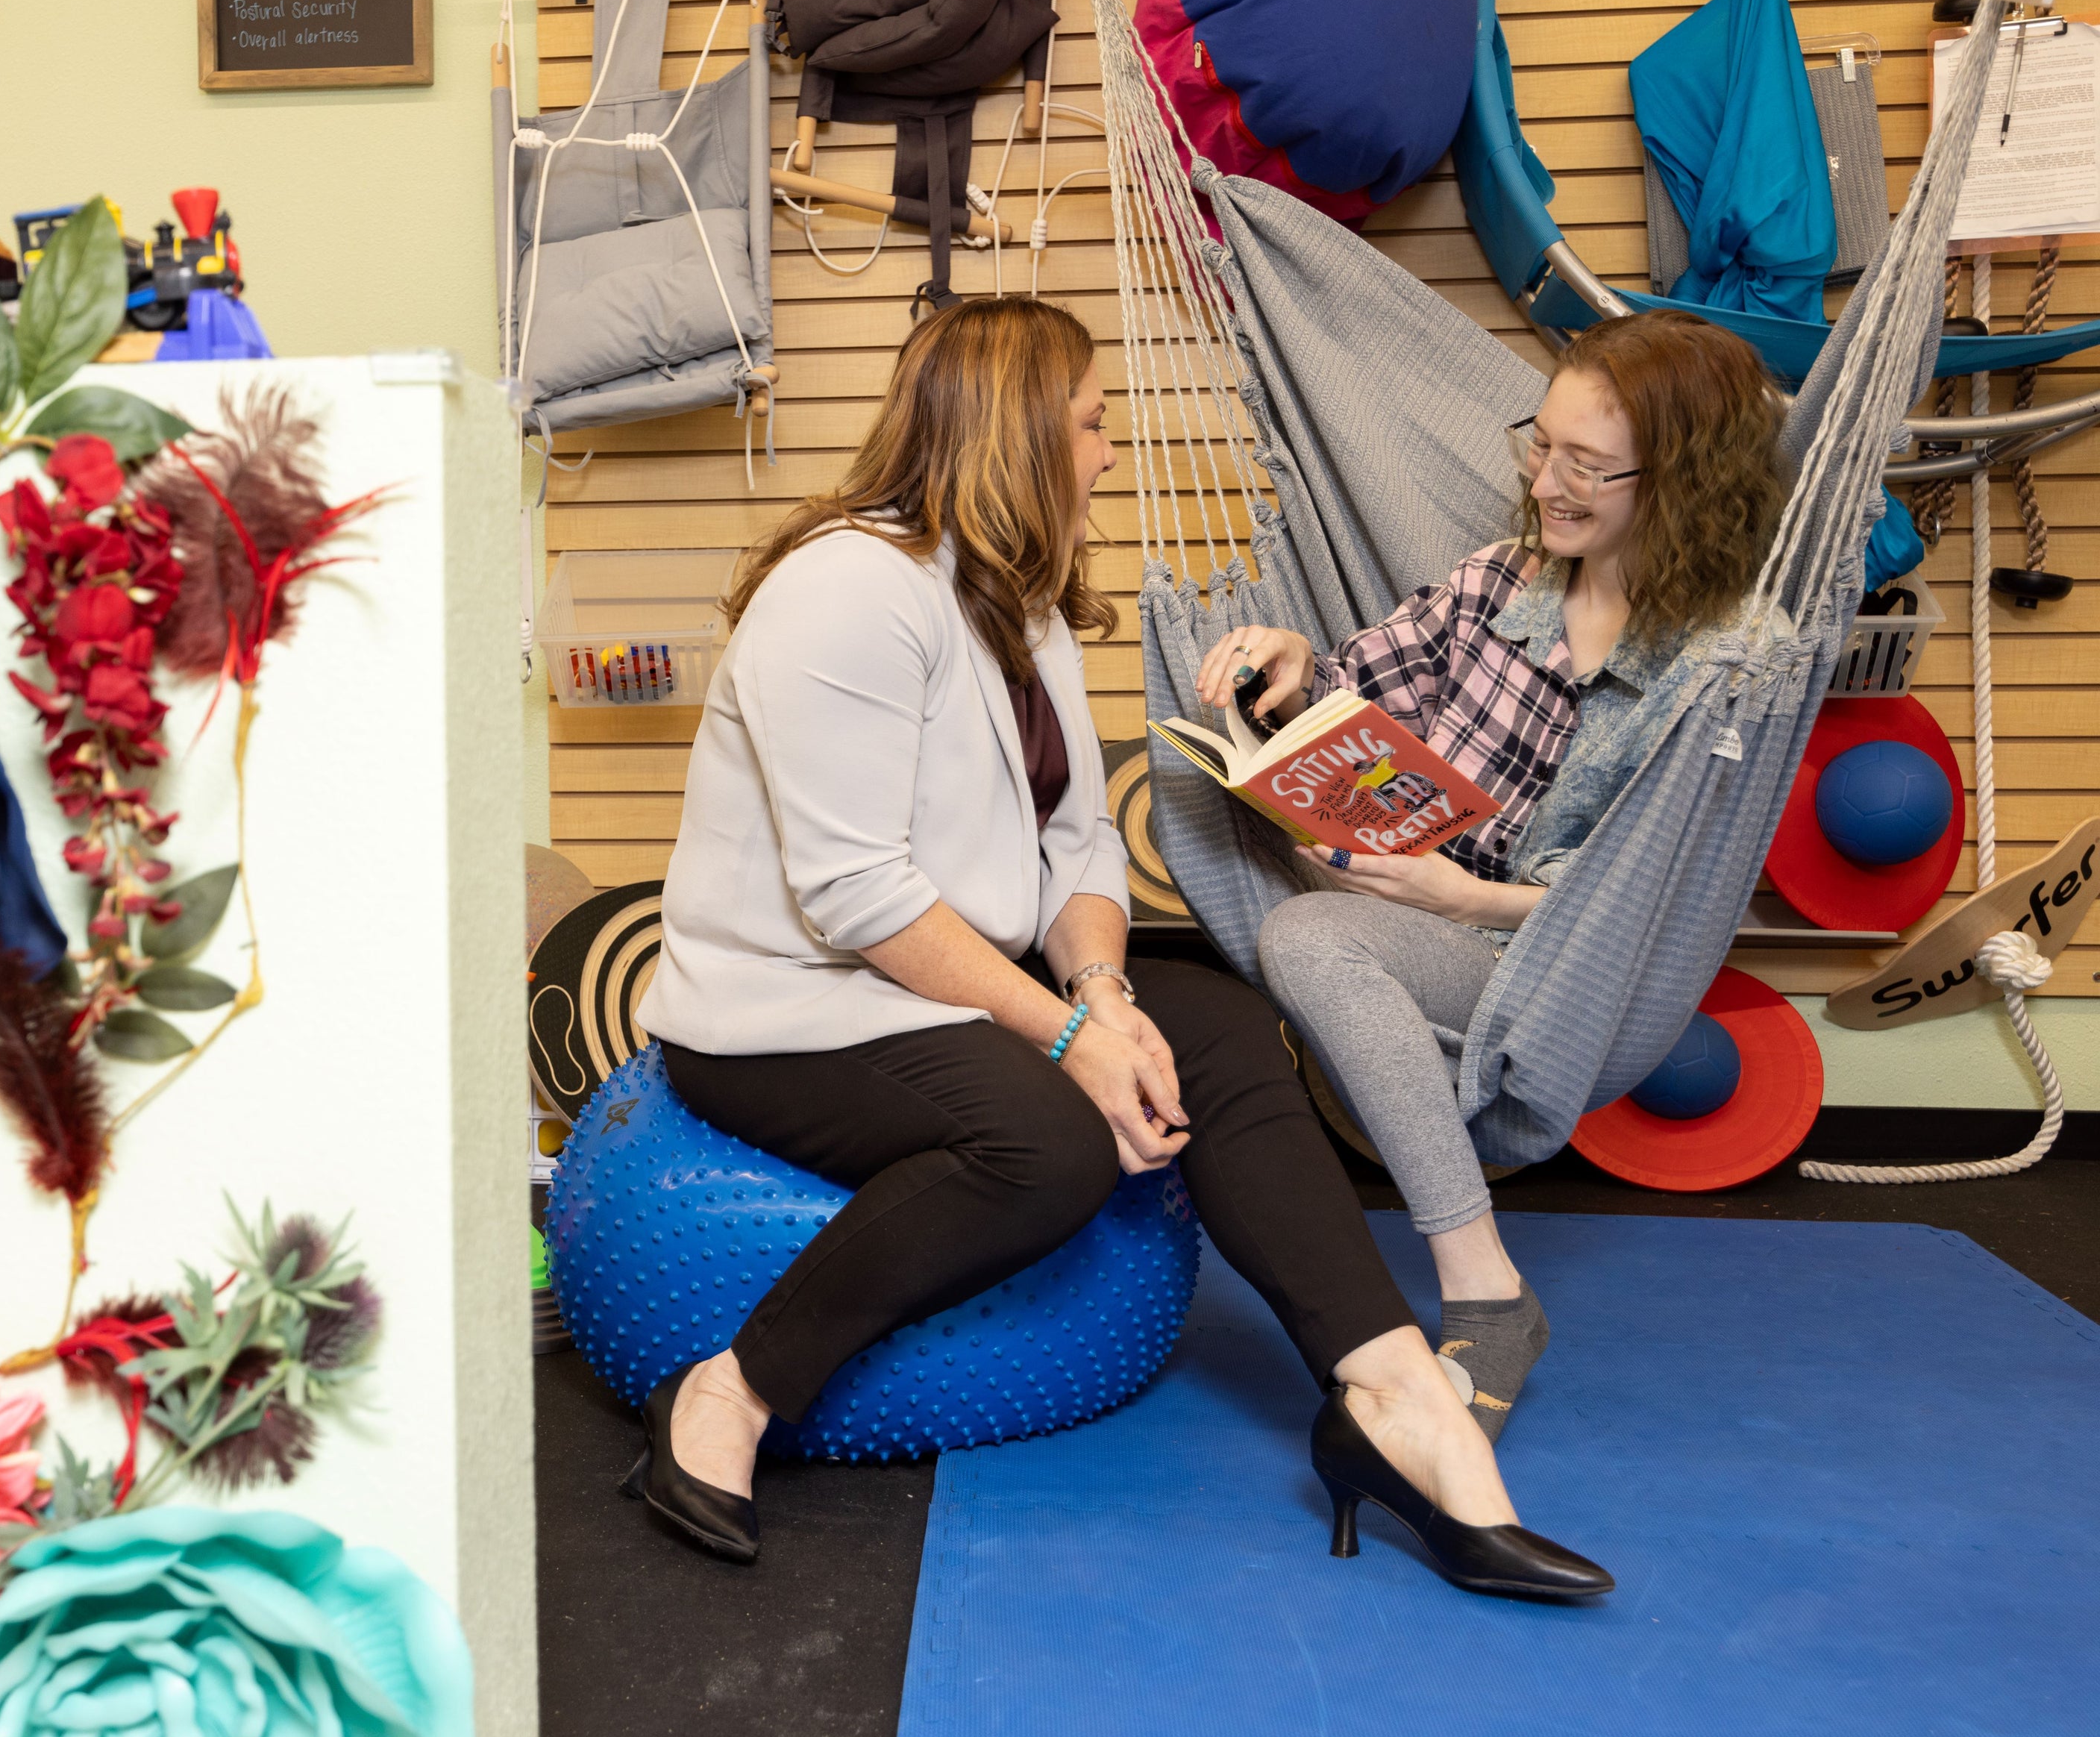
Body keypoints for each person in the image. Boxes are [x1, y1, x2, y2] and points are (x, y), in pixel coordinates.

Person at [631, 295, 1609, 1599]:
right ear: (1019, 431)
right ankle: (735, 1391)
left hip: (941, 986)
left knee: (1213, 1023)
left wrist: (1098, 986)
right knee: (1052, 1144)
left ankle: (1394, 1396)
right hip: (787, 1015)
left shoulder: (1015, 599)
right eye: (1090, 423)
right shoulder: (846, 594)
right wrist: (1077, 1037)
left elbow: (1080, 839)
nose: (1106, 451)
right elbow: (858, 898)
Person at [1200, 309, 1785, 1439]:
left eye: (1589, 464)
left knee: (1306, 941)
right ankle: (1486, 1293)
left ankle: (1485, 1294)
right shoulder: (1497, 582)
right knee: (1286, 899)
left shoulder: (1729, 664)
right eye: (1542, 443)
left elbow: (1661, 904)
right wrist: (1291, 659)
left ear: (1684, 478)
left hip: (1564, 972)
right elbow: (1364, 691)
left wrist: (1464, 897)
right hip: (1422, 921)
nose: (1548, 483)